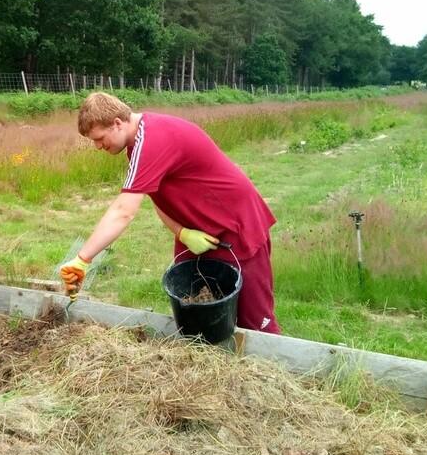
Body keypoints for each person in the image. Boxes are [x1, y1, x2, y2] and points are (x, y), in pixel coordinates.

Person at [59, 92, 281, 334]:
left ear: (117, 123)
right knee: (193, 311)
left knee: (255, 320)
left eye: (99, 138)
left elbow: (123, 211)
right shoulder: (136, 143)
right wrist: (181, 232)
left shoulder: (152, 139)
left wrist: (83, 259)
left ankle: (271, 364)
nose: (98, 146)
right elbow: (159, 196)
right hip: (196, 228)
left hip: (234, 224)